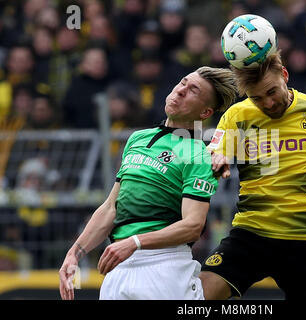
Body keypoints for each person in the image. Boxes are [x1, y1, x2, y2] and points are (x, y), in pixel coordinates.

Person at [58, 66, 237, 300]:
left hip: (164, 265)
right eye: (183, 82)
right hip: (118, 265)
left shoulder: (198, 154)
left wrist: (135, 242)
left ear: (205, 112)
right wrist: (74, 254)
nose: (181, 90)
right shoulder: (137, 138)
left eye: (193, 90)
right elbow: (111, 207)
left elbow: (193, 225)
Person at [200, 52, 306, 300]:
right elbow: (215, 152)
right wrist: (216, 158)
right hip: (250, 234)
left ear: (284, 75)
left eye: (272, 91)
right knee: (197, 297)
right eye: (257, 98)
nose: (268, 103)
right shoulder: (237, 115)